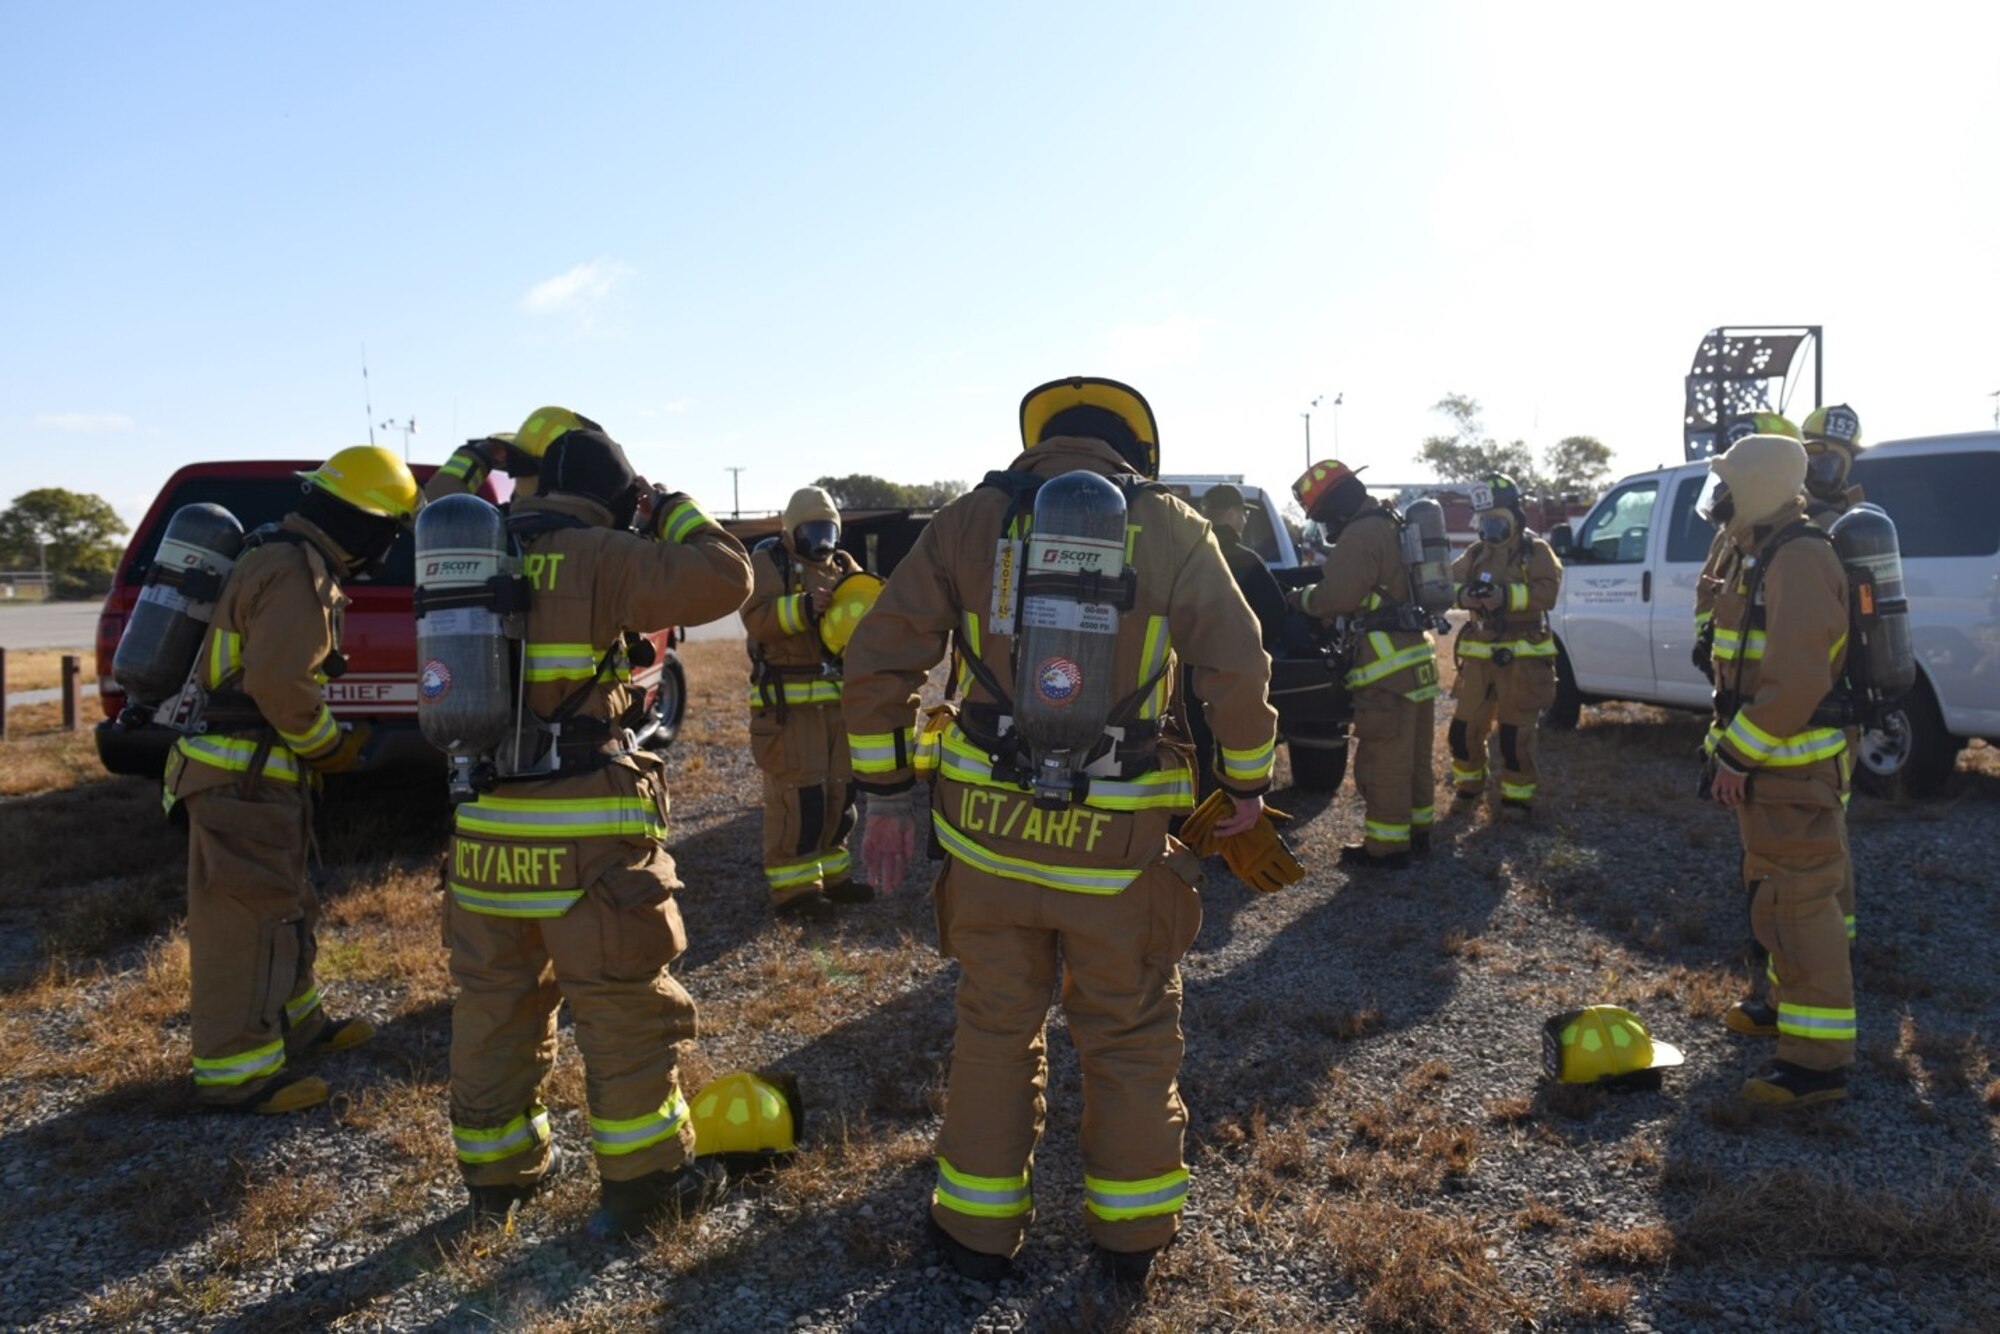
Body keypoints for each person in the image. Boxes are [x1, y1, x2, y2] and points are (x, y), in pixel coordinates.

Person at [844, 375, 1277, 1292]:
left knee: (995, 1028)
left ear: (1039, 446)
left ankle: (973, 1234)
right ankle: (1129, 1245)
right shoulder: (1173, 528)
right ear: (1134, 454)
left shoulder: (970, 521)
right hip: (1117, 849)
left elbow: (878, 656)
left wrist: (885, 791)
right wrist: (1242, 785)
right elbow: (1236, 666)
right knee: (1126, 1033)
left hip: (989, 838)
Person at [442, 427, 754, 1235]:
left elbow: (428, 508)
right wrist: (672, 509)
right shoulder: (596, 554)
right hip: (584, 839)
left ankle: (496, 1178)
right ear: (615, 496)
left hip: (481, 835)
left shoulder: (463, 551)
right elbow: (728, 578)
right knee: (622, 1007)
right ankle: (646, 1184)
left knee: (495, 1006)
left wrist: (476, 463)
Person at [162, 445, 418, 1112]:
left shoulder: (279, 555)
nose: (386, 546)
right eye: (388, 529)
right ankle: (236, 1074)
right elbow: (280, 686)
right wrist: (334, 747)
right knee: (245, 923)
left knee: (284, 906)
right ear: (364, 522)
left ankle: (297, 1026)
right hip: (241, 779)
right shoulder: (296, 573)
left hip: (253, 776)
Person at [1699, 433, 1855, 1106]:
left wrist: (1736, 754)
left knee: (1798, 902)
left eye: (1730, 483)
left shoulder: (1798, 558)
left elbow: (1793, 683)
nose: (1720, 498)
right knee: (1781, 896)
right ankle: (1788, 1009)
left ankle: (1817, 1066)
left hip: (1788, 771)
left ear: (1759, 486)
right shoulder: (1760, 547)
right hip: (1774, 770)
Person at [1288, 460, 1439, 869]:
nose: (1325, 528)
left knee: (1383, 760)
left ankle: (1387, 849)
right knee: (1414, 756)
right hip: (1416, 661)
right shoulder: (1389, 522)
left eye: (1322, 518)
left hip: (1386, 671)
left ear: (1336, 510)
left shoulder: (1359, 534)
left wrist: (1299, 599)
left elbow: (1335, 597)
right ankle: (1418, 833)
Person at [740, 486, 871, 919]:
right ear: (791, 531)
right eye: (811, 531)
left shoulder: (844, 566)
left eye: (827, 530)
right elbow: (756, 617)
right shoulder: (770, 562)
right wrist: (802, 608)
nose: (821, 541)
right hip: (788, 709)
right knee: (798, 795)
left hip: (836, 706)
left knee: (839, 791)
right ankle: (794, 891)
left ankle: (834, 877)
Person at [1447, 474, 1563, 817]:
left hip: (1522, 658)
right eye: (1484, 521)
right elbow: (1443, 585)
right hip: (1479, 656)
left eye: (1496, 520)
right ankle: (1468, 788)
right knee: (1462, 730)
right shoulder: (1476, 553)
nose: (1489, 528)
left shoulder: (1536, 552)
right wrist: (1462, 595)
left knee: (1515, 735)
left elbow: (1548, 592)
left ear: (1515, 515)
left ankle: (1516, 798)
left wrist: (1507, 597)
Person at [1181, 484, 1286, 798]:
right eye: (1242, 513)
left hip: (1179, 678)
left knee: (1187, 745)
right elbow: (1275, 614)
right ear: (1230, 514)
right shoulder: (1248, 561)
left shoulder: (1183, 556)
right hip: (1231, 678)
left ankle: (1184, 818)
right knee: (1228, 742)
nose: (1244, 520)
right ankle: (1225, 807)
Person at [1692, 413, 1799, 680]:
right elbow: (1708, 590)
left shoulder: (1801, 544)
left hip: (1773, 695)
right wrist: (1710, 637)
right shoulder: (1733, 532)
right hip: (1738, 683)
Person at [421, 405, 601, 504]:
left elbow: (441, 501)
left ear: (522, 467)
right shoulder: (608, 544)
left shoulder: (498, 532)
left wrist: (479, 454)